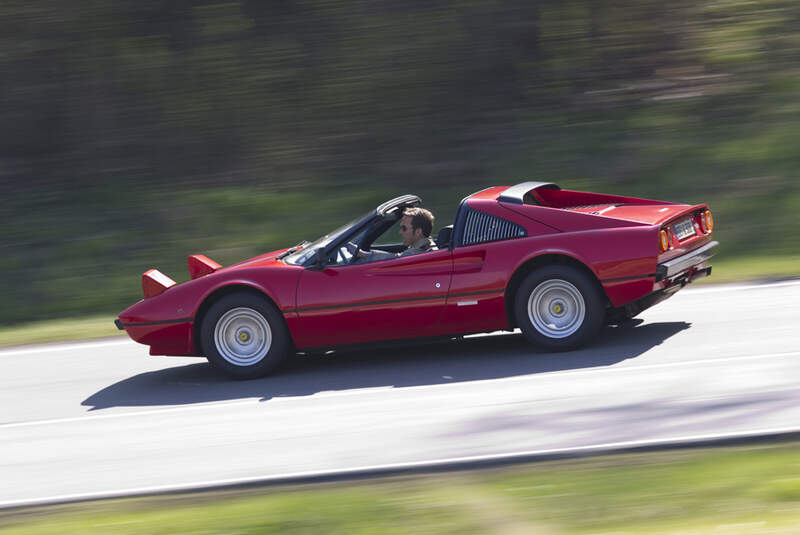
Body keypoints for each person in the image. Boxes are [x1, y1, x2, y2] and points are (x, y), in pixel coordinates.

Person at [355, 207, 437, 262]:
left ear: (418, 232)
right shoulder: (426, 245)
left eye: (404, 228)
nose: (400, 232)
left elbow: (395, 258)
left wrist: (364, 255)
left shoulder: (418, 253)